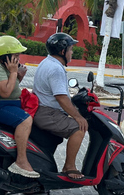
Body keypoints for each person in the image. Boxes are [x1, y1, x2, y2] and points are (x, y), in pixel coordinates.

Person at [0, 36, 37, 178]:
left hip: (5, 103)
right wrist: (14, 72)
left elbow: (11, 86)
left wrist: (18, 76)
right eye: (15, 56)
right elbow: (5, 93)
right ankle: (21, 161)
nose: (18, 58)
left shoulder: (1, 65)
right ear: (6, 56)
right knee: (25, 120)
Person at [33, 33, 87, 180]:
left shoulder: (46, 62)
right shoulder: (56, 69)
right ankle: (69, 167)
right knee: (79, 128)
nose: (72, 53)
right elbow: (61, 98)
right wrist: (78, 116)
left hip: (41, 110)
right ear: (62, 51)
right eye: (70, 49)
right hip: (48, 113)